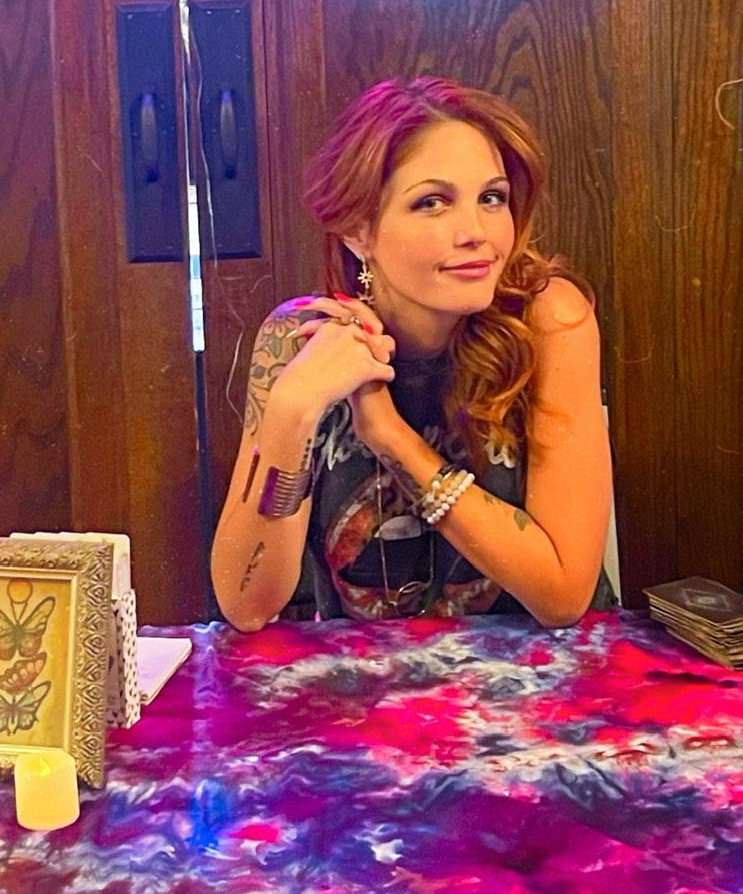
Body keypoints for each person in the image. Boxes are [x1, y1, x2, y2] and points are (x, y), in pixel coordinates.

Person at [211, 77, 613, 628]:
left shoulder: (548, 320)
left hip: (543, 671)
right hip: (369, 677)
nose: (476, 232)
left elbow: (562, 596)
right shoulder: (300, 339)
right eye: (432, 203)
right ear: (357, 230)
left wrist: (392, 437)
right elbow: (247, 606)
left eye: (491, 198)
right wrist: (291, 411)